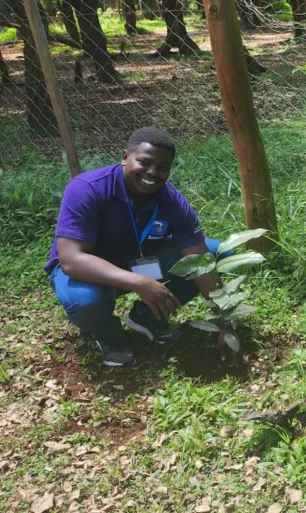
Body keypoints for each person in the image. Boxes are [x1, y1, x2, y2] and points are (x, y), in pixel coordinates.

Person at [45, 127, 229, 367]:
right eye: (144, 162)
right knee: (86, 300)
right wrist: (139, 282)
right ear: (125, 157)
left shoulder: (171, 201)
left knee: (217, 254)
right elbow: (71, 260)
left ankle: (147, 317)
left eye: (162, 167)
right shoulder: (87, 188)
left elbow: (200, 261)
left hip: (136, 261)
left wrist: (226, 323)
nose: (153, 172)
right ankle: (107, 334)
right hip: (88, 270)